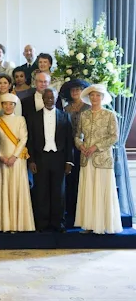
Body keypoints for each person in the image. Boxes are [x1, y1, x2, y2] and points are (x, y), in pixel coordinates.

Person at [75, 84, 122, 234]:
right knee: (88, 189)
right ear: (88, 97)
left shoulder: (109, 115)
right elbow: (77, 135)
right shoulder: (84, 115)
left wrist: (96, 147)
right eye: (92, 95)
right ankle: (89, 225)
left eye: (97, 95)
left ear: (102, 97)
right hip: (86, 158)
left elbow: (114, 137)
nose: (94, 98)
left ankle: (104, 224)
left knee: (102, 189)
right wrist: (81, 146)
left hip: (103, 158)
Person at [26, 88, 73, 232]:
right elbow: (31, 141)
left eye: (52, 97)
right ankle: (42, 223)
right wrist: (31, 160)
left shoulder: (65, 116)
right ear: (42, 99)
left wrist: (68, 161)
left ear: (56, 98)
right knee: (41, 191)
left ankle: (58, 223)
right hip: (41, 158)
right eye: (46, 98)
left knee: (59, 192)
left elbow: (69, 141)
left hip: (59, 158)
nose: (49, 100)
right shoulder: (34, 117)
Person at [0, 93, 35, 232]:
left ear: (15, 106)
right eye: (5, 104)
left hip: (17, 160)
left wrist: (14, 157)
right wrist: (1, 156)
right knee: (3, 188)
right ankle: (3, 224)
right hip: (1, 159)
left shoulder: (20, 119)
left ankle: (19, 225)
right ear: (2, 106)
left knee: (17, 188)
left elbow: (24, 139)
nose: (8, 106)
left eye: (11, 104)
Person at [61, 79, 91, 224]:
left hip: (86, 148)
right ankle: (72, 211)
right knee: (71, 179)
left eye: (78, 89)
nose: (75, 92)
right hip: (70, 148)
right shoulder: (66, 108)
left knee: (84, 178)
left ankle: (85, 210)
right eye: (73, 90)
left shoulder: (89, 107)